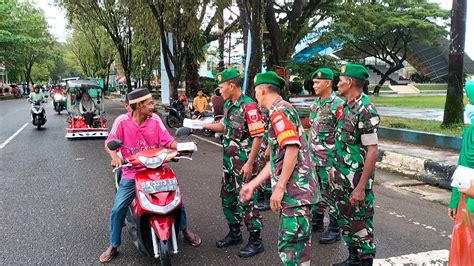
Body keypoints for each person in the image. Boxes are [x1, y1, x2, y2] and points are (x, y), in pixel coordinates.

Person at [99, 88, 201, 263]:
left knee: (176, 201)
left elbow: (168, 141)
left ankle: (184, 230)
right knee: (118, 209)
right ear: (138, 106)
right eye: (149, 104)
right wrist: (115, 157)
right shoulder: (122, 122)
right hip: (132, 172)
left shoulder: (155, 120)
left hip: (158, 170)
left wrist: (182, 148)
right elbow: (110, 142)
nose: (152, 107)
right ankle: (114, 245)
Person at [240, 71, 319, 265]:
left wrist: (280, 186)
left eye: (256, 91)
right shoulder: (280, 109)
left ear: (263, 90)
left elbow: (292, 149)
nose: (255, 96)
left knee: (293, 251)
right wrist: (253, 184)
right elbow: (277, 159)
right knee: (291, 249)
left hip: (296, 193)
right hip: (296, 194)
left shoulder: (279, 111)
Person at [202, 68, 265, 258]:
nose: (219, 90)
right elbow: (224, 127)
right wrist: (202, 125)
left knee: (246, 201)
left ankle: (256, 241)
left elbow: (258, 136)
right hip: (228, 164)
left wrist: (250, 163)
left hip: (243, 164)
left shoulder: (249, 107)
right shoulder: (229, 104)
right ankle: (235, 233)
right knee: (227, 199)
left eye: (221, 86)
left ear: (231, 85)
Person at [329, 64, 379, 266]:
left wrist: (360, 187)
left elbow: (372, 151)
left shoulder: (366, 110)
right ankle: (353, 257)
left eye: (340, 80)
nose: (337, 84)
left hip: (357, 181)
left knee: (361, 222)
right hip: (340, 177)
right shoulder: (343, 107)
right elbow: (340, 142)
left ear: (349, 82)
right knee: (345, 219)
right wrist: (333, 168)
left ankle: (365, 260)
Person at [308, 68, 344, 244]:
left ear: (328, 83)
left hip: (329, 160)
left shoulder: (338, 105)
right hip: (314, 158)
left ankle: (335, 228)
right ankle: (317, 222)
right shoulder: (316, 104)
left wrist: (335, 164)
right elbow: (312, 131)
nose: (314, 85)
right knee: (316, 192)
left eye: (317, 82)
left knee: (332, 195)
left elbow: (341, 137)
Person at [448, 81, 474, 219]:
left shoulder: (469, 133)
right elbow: (462, 166)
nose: (468, 105)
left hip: (468, 201)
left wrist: (455, 200)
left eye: (471, 100)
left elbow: (462, 167)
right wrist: (454, 200)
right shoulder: (469, 132)